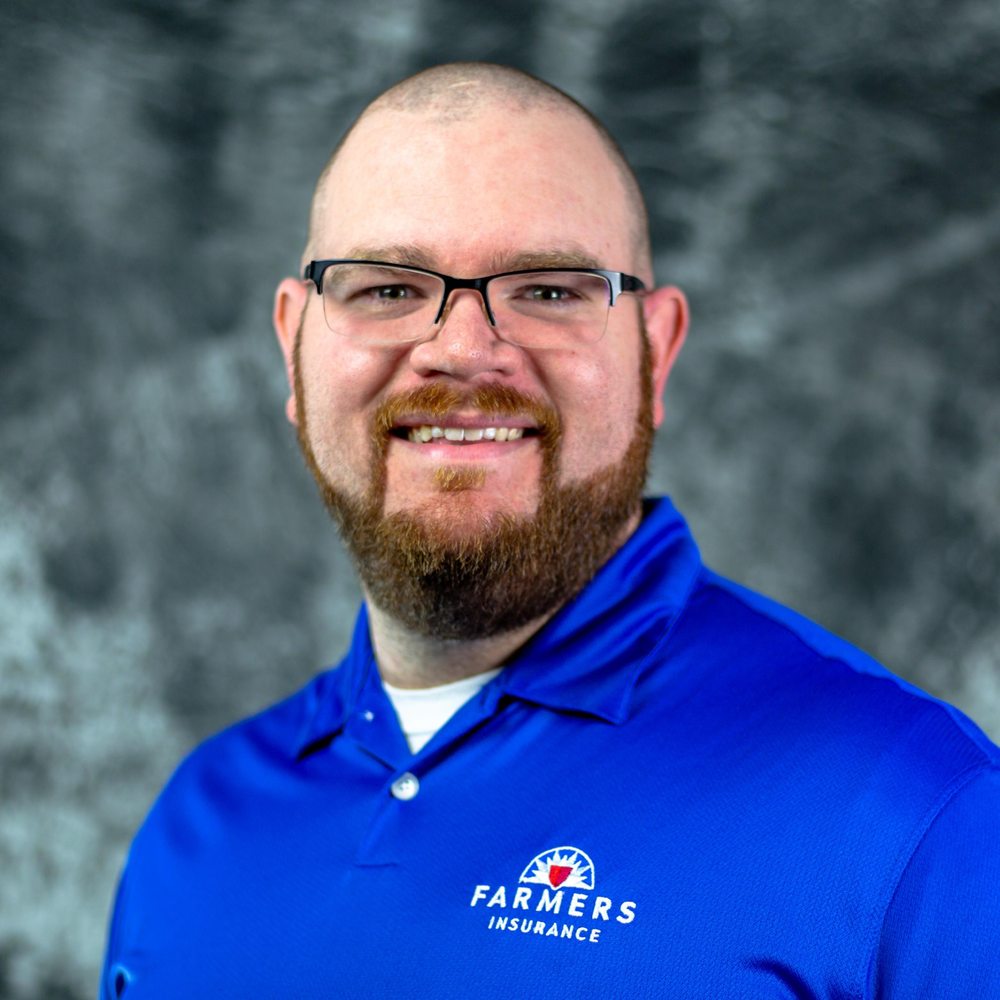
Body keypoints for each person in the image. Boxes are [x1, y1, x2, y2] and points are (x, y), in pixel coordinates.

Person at [99, 62, 1000, 998]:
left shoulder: (919, 816)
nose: (460, 349)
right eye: (387, 290)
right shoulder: (194, 833)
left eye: (549, 290)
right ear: (294, 344)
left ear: (656, 352)